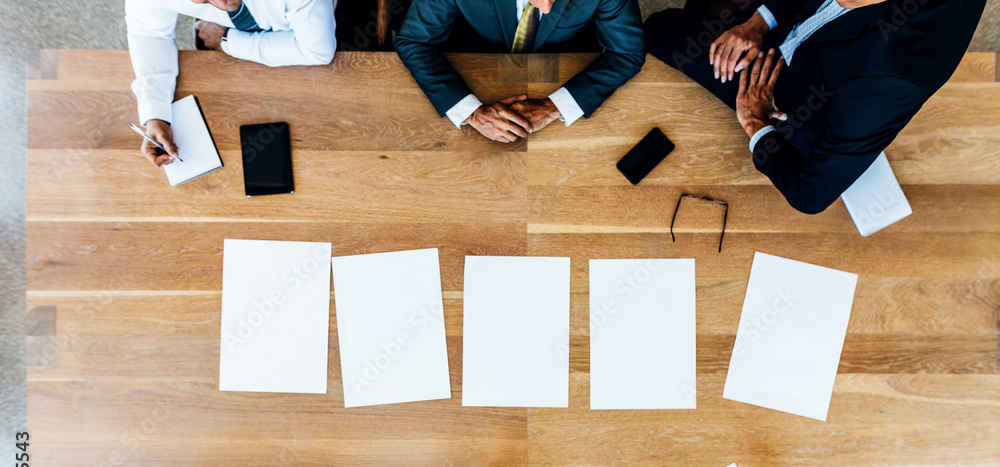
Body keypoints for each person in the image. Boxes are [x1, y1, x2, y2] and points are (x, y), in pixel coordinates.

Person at [643, 0, 987, 214]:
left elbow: (810, 195)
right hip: (793, 22)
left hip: (791, 93)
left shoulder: (883, 81)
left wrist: (756, 122)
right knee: (664, 26)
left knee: (664, 32)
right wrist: (757, 23)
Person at [396, 0, 645, 144]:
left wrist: (554, 106)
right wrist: (471, 112)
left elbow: (627, 53)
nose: (547, 7)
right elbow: (415, 42)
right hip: (473, 60)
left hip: (565, 65)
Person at [126, 0, 336, 167]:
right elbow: (148, 33)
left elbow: (317, 51)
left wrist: (227, 40)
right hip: (217, 34)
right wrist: (155, 113)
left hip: (300, 31)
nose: (221, 3)